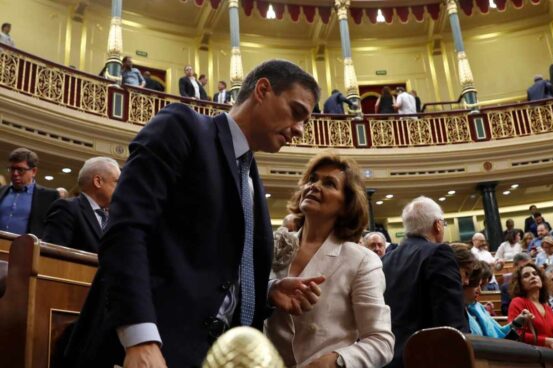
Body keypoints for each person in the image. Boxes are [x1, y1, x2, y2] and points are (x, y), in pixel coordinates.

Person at [63, 60, 326, 368]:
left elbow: (208, 264)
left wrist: (267, 291)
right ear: (263, 90)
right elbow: (126, 229)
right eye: (296, 113)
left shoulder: (252, 178)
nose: (300, 130)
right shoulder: (183, 126)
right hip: (146, 348)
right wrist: (140, 337)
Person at [266, 153, 393, 367]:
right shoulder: (273, 247)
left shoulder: (361, 260)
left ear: (347, 204)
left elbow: (381, 342)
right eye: (312, 179)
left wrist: (335, 361)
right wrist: (270, 292)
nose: (314, 186)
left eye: (329, 183)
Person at [383, 196, 467, 368]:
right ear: (437, 225)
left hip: (388, 359)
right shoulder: (438, 253)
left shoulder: (385, 260)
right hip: (425, 359)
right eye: (443, 224)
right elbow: (451, 321)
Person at [42, 157, 121, 253]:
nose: (121, 188)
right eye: (117, 182)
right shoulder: (66, 208)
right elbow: (52, 255)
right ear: (98, 181)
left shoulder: (116, 217)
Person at [466, 260, 534, 339]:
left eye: (483, 286)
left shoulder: (479, 307)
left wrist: (517, 322)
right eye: (477, 285)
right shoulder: (466, 310)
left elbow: (500, 332)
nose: (480, 291)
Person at [0, 148, 59, 238]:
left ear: (34, 171)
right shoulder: (1, 191)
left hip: (27, 249)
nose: (15, 173)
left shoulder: (49, 196)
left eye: (20, 170)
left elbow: (53, 230)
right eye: (12, 169)